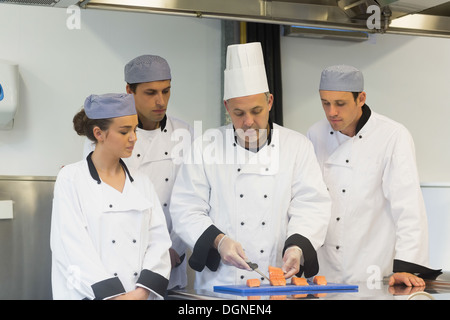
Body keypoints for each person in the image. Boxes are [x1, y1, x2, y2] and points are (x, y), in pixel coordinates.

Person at [170, 42, 331, 291]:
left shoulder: (296, 146)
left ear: (270, 102)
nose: (248, 121)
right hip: (221, 285)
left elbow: (311, 205)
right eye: (238, 113)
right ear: (226, 108)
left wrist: (298, 248)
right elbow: (186, 209)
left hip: (279, 282)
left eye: (256, 110)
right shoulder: (206, 146)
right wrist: (219, 241)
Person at [307, 65, 440, 286]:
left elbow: (408, 208)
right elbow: (309, 200)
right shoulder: (315, 134)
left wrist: (408, 267)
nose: (332, 112)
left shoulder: (393, 136)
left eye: (340, 104)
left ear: (361, 98)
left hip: (373, 270)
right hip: (323, 273)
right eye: (325, 103)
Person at [84, 55, 192, 290]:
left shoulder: (185, 133)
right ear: (129, 91)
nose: (160, 101)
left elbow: (191, 199)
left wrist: (172, 248)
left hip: (170, 258)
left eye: (166, 91)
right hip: (119, 259)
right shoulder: (104, 139)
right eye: (151, 93)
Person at [51, 93, 172, 300]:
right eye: (124, 131)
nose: (134, 138)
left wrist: (142, 292)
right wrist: (115, 297)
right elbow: (70, 246)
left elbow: (159, 241)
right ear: (99, 133)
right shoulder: (71, 178)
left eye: (135, 129)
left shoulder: (141, 181)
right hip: (92, 295)